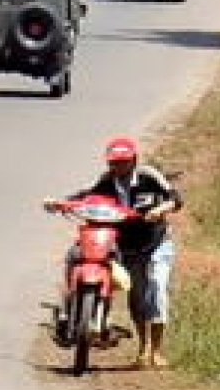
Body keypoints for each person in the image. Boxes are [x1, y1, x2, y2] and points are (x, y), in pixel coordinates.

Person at [46, 134, 182, 368]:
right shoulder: (106, 182)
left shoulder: (149, 177)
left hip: (156, 244)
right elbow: (84, 196)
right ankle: (142, 349)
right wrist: (59, 203)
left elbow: (176, 198)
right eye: (114, 162)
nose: (118, 167)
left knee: (157, 288)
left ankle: (157, 352)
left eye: (123, 162)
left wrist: (161, 209)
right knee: (137, 298)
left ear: (134, 160)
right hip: (127, 248)